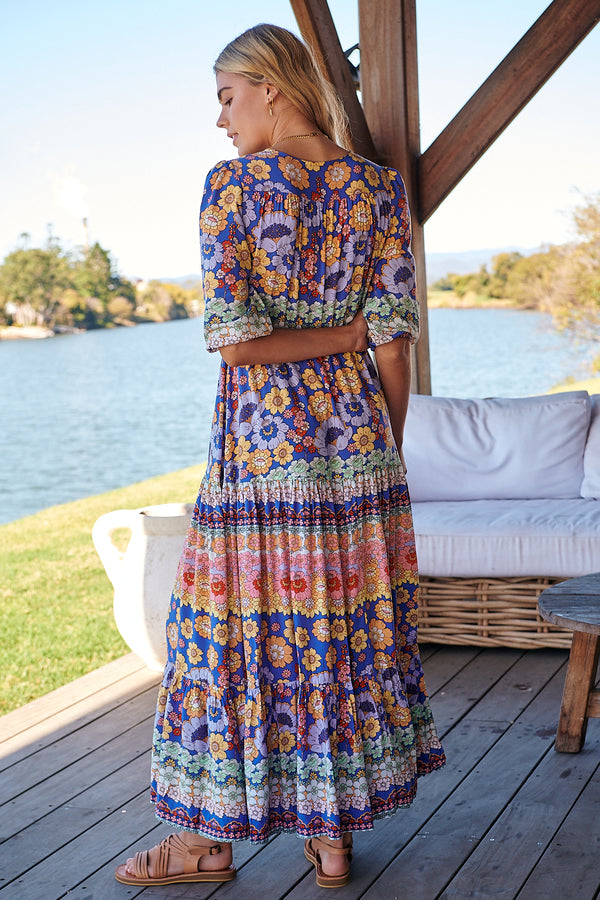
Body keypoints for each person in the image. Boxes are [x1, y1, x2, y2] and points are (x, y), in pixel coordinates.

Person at [115, 22, 445, 891]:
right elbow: (394, 345)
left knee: (224, 641)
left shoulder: (232, 187)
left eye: (228, 98)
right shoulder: (378, 190)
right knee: (339, 639)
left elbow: (237, 343)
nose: (222, 120)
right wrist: (379, 452)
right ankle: (332, 842)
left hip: (262, 461)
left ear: (271, 85)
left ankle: (205, 844)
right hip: (362, 453)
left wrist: (325, 345)